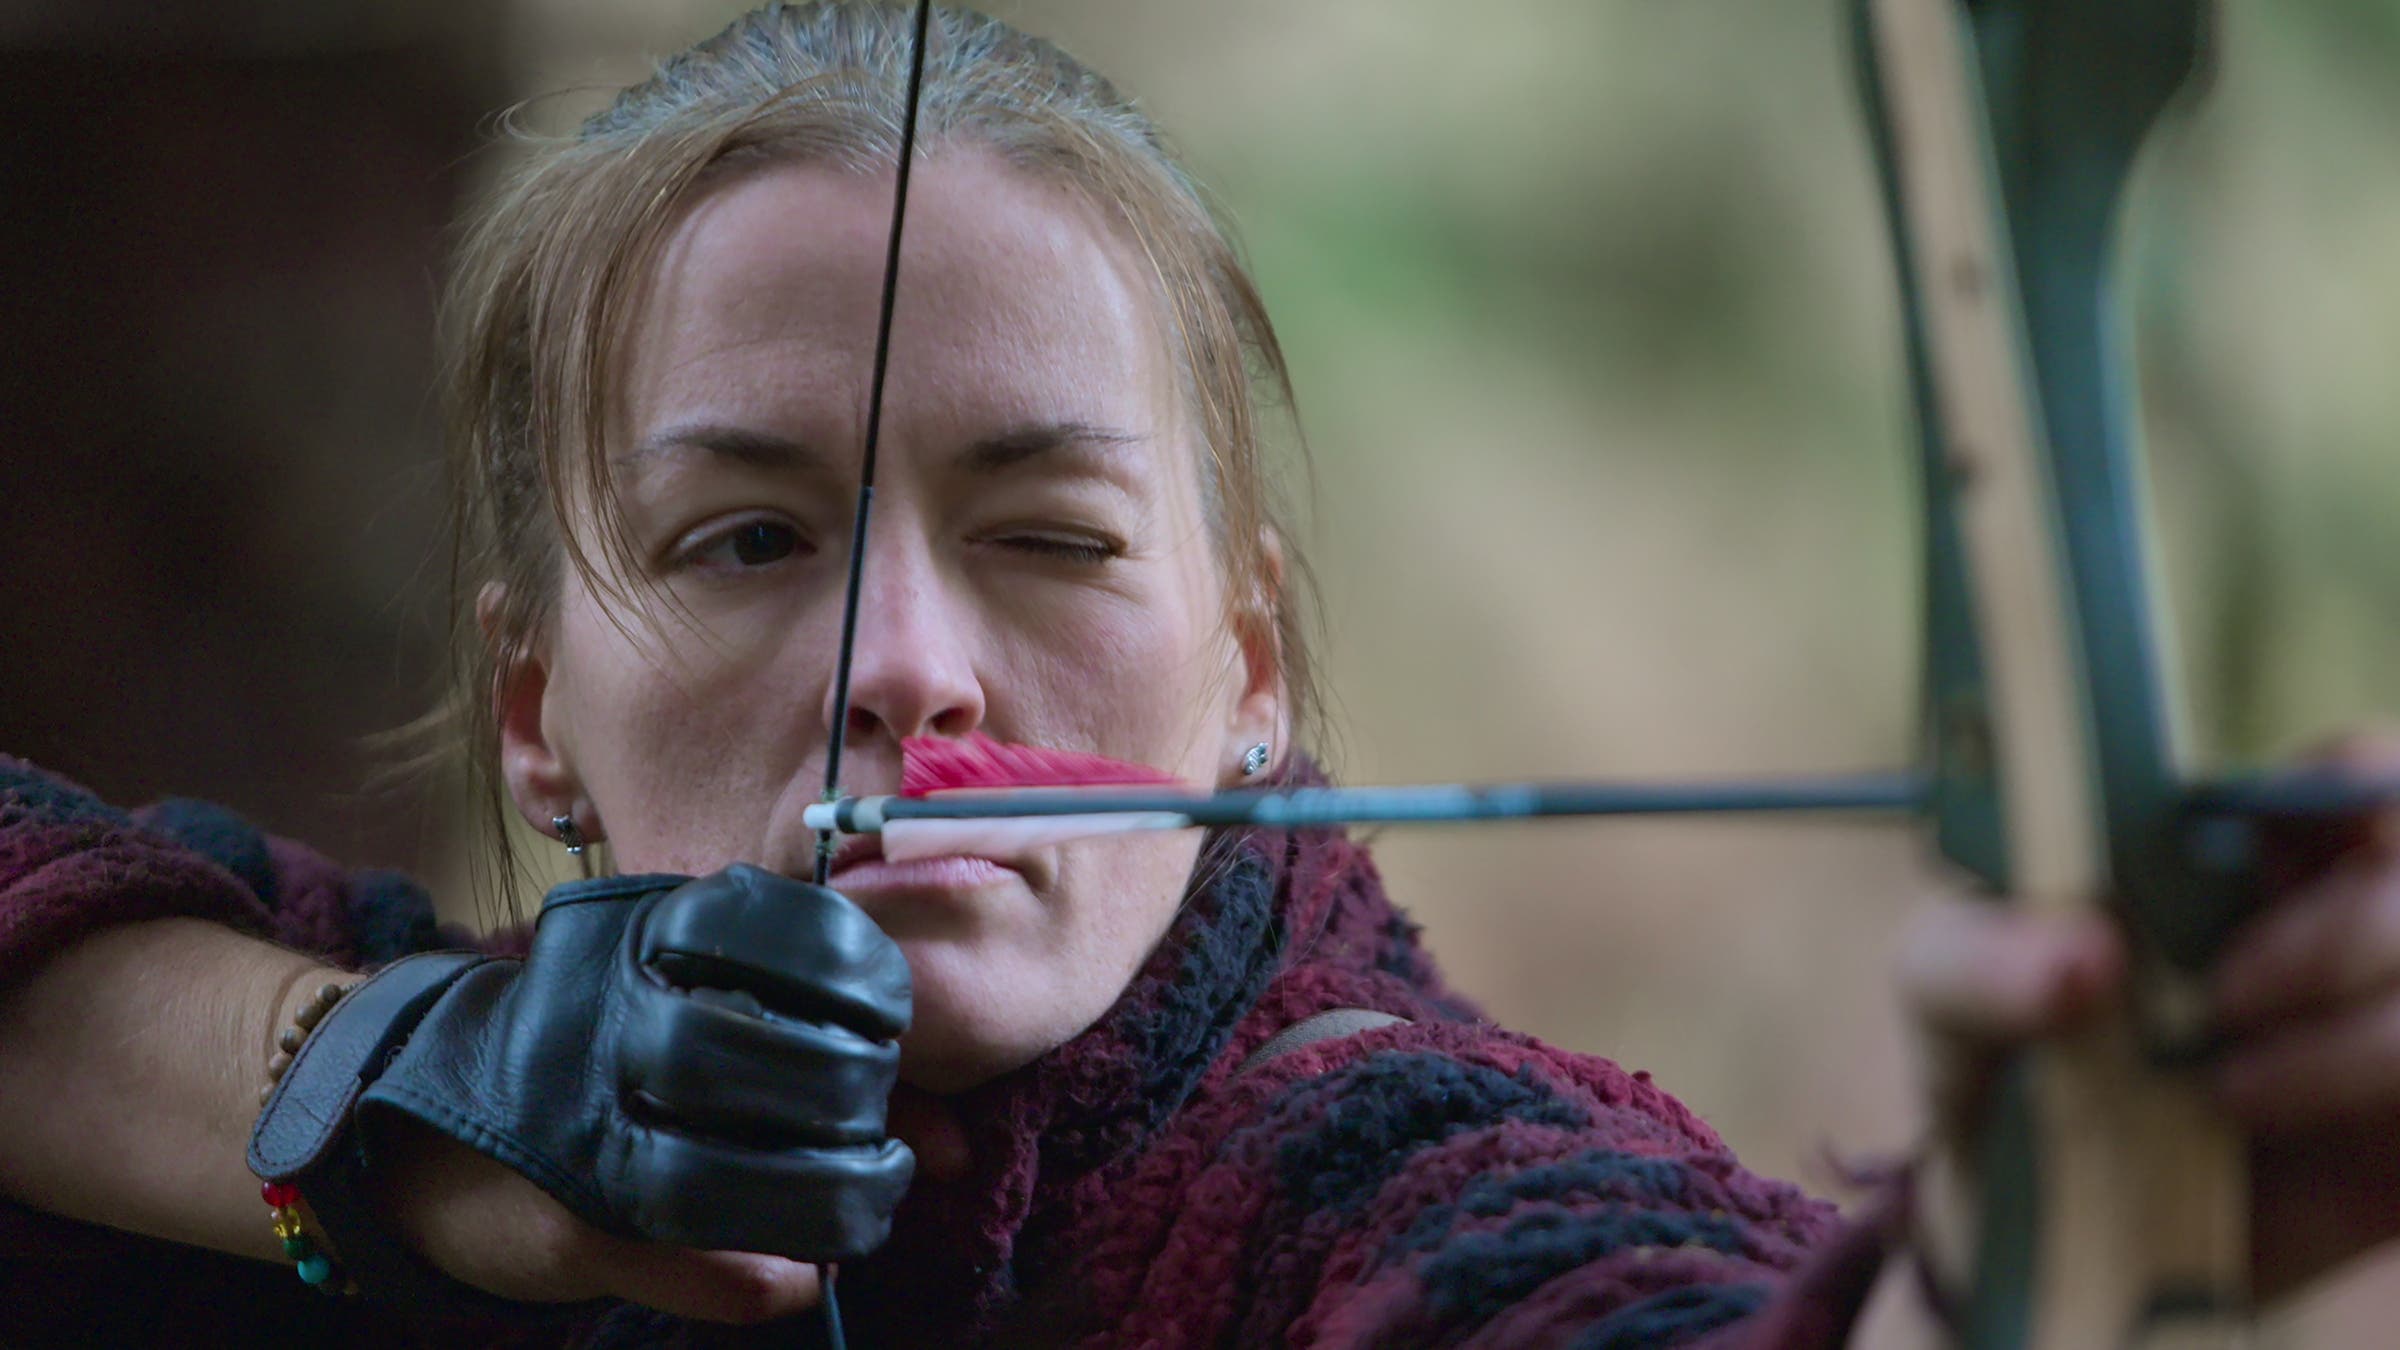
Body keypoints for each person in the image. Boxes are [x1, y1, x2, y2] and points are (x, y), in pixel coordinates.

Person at [2, 3, 2397, 1345]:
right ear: (537, 712)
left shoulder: (1347, 1167)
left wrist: (2000, 1271)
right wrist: (407, 1124)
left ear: (1249, 673)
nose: (908, 666)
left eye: (1048, 536)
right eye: (746, 541)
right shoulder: (465, 1096)